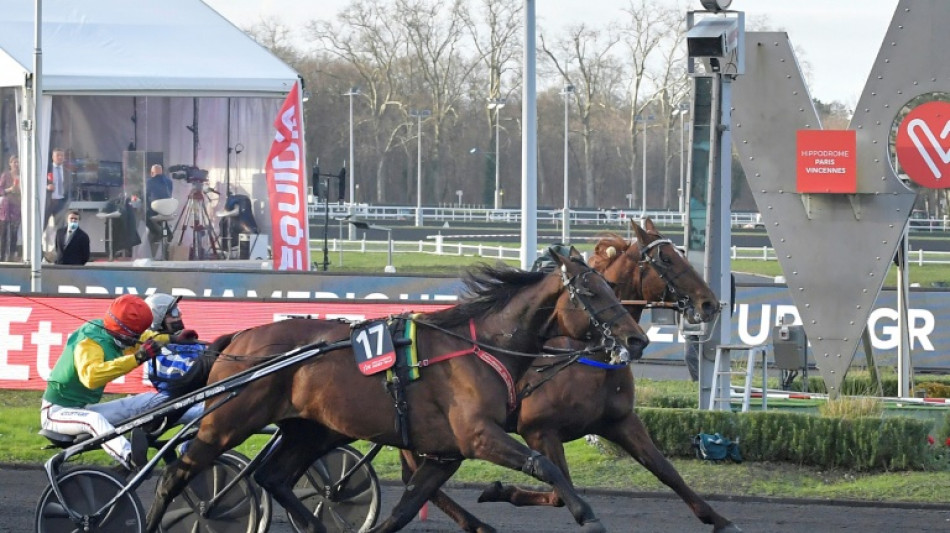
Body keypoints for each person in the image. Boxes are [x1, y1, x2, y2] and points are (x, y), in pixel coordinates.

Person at [40, 295, 163, 472]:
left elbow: (145, 338)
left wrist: (172, 339)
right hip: (55, 413)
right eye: (133, 336)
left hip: (82, 408)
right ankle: (129, 457)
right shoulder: (89, 341)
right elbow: (91, 378)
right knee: (94, 420)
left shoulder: (113, 333)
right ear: (122, 330)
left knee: (136, 403)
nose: (136, 340)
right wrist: (137, 358)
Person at [93, 293, 205, 428]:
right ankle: (188, 448)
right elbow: (180, 375)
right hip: (177, 404)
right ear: (159, 319)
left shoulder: (187, 341)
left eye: (179, 310)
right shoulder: (156, 349)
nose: (179, 316)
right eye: (174, 313)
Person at [145, 164, 173, 255]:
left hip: (156, 210)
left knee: (146, 215)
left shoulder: (149, 182)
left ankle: (157, 233)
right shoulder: (169, 182)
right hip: (167, 210)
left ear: (152, 173)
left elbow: (145, 196)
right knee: (162, 221)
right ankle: (166, 232)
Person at [0, 155, 21, 261]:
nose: (16, 164)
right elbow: (0, 190)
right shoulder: (5, 175)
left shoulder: (22, 175)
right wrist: (9, 189)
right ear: (10, 163)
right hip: (6, 208)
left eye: (18, 162)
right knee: (3, 233)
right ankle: (2, 257)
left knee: (14, 233)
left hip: (17, 207)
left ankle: (12, 256)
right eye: (14, 162)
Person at [46, 147, 69, 230]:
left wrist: (67, 201)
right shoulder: (46, 170)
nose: (60, 157)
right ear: (52, 157)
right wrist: (46, 187)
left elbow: (69, 187)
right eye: (57, 155)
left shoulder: (67, 172)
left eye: (62, 156)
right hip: (49, 201)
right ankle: (39, 242)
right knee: (43, 224)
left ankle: (59, 242)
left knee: (60, 227)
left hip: (60, 202)